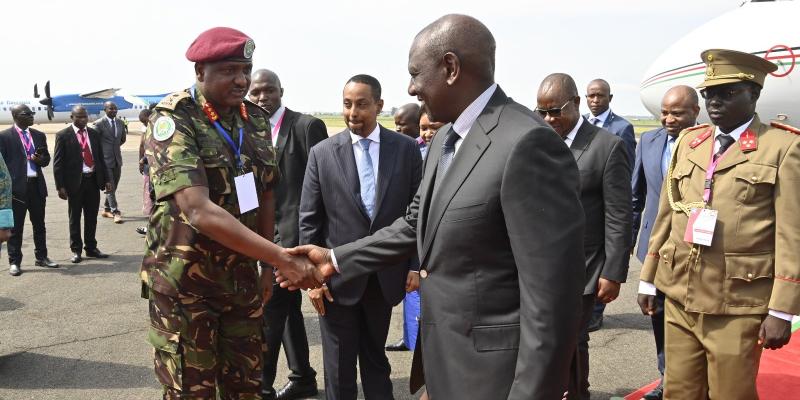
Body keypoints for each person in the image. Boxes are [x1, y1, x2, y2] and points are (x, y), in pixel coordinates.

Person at [282, 14, 585, 400]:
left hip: (496, 377)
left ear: (451, 67)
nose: (411, 88)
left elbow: (553, 299)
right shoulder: (445, 137)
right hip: (446, 364)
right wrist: (335, 259)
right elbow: (414, 224)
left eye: (415, 74)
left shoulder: (527, 144)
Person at [139, 27, 322, 399]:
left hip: (241, 281)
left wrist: (267, 268)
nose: (241, 80)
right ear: (200, 72)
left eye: (246, 69)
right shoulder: (174, 119)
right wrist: (281, 258)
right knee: (194, 391)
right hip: (186, 288)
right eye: (228, 71)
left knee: (246, 386)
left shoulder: (252, 118)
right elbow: (197, 208)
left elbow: (266, 190)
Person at [638, 49, 800, 399]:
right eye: (709, 93)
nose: (715, 101)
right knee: (678, 392)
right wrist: (649, 278)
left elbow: (792, 236)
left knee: (731, 394)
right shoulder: (690, 143)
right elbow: (668, 214)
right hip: (680, 295)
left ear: (754, 94)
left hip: (737, 303)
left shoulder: (782, 148)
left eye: (727, 93)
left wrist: (782, 310)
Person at [300, 74, 422, 400]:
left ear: (379, 106)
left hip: (385, 277)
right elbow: (309, 222)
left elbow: (417, 215)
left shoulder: (407, 150)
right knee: (338, 369)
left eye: (362, 104)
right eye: (347, 104)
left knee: (375, 362)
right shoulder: (322, 154)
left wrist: (414, 265)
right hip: (335, 281)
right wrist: (313, 281)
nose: (353, 112)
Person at [536, 73, 632, 400]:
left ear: (576, 104)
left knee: (571, 340)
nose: (549, 119)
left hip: (586, 267)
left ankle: (578, 393)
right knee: (553, 340)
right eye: (542, 112)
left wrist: (613, 271)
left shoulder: (607, 146)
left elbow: (619, 213)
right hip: (540, 265)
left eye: (556, 111)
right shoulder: (539, 142)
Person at [248, 68, 328, 400]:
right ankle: (303, 378)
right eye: (256, 93)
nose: (263, 97)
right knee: (288, 309)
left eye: (269, 91)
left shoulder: (306, 126)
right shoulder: (250, 131)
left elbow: (327, 182)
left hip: (297, 239)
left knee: (270, 310)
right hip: (263, 236)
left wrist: (320, 240)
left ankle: (262, 387)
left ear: (281, 91)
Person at [630, 85, 700, 400]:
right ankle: (667, 377)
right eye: (665, 112)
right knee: (657, 315)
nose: (668, 119)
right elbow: (636, 195)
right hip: (654, 248)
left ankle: (697, 378)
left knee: (690, 316)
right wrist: (632, 242)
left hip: (694, 247)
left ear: (695, 113)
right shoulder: (648, 141)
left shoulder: (711, 143)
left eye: (677, 113)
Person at [583, 78, 636, 331]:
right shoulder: (580, 124)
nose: (595, 101)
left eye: (600, 96)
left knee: (605, 256)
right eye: (591, 96)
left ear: (610, 98)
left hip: (610, 198)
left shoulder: (621, 128)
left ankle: (596, 311)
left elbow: (628, 170)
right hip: (587, 202)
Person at [0, 105, 57, 276]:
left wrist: (41, 159)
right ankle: (14, 262)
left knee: (39, 225)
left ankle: (42, 257)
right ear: (16, 116)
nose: (32, 116)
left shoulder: (38, 135)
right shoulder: (4, 137)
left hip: (36, 186)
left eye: (32, 113)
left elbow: (46, 159)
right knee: (16, 228)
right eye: (27, 114)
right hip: (16, 190)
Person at [53, 105, 112, 263]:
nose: (83, 119)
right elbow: (58, 164)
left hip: (93, 180)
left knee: (91, 216)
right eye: (79, 117)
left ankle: (91, 248)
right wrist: (60, 186)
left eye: (85, 116)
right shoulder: (63, 135)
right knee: (75, 217)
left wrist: (107, 179)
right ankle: (76, 250)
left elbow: (100, 158)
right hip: (74, 183)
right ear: (72, 117)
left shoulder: (93, 134)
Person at [94, 101, 126, 223]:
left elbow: (122, 140)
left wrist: (114, 149)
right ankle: (115, 211)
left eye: (115, 109)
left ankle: (106, 209)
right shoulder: (99, 124)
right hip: (105, 161)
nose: (113, 111)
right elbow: (94, 143)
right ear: (105, 109)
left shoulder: (120, 123)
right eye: (111, 109)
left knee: (114, 186)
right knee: (110, 186)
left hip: (117, 159)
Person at [136, 108, 154, 236]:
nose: (144, 125)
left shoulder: (158, 129)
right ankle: (152, 227)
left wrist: (143, 159)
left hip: (156, 169)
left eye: (145, 122)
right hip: (149, 169)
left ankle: (154, 229)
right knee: (151, 197)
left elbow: (155, 148)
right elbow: (142, 146)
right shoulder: (147, 129)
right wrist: (141, 161)